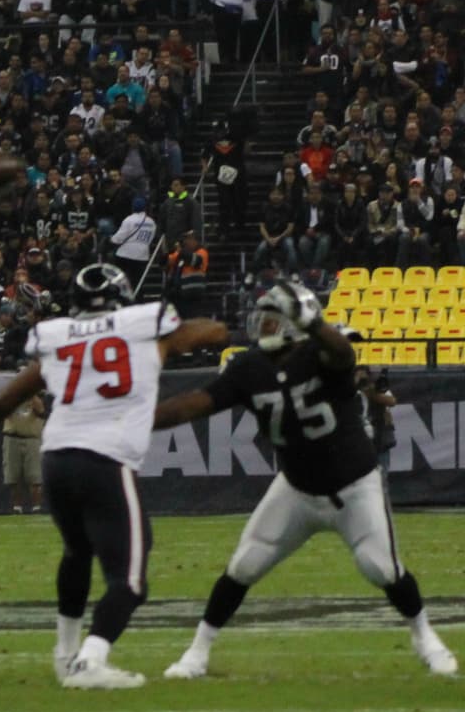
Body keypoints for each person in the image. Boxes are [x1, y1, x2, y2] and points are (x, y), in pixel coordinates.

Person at [154, 284, 457, 680]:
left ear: (295, 322)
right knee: (243, 566)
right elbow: (196, 403)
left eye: (271, 317)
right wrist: (142, 418)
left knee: (381, 568)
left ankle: (426, 638)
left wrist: (312, 322)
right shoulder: (250, 367)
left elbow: (344, 353)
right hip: (295, 489)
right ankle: (197, 653)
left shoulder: (322, 354)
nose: (261, 325)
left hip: (353, 488)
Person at [0, 263, 229, 689]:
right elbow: (214, 334)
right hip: (105, 458)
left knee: (77, 552)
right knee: (131, 579)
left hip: (58, 457)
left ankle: (65, 654)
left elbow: (19, 387)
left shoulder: (59, 336)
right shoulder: (143, 329)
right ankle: (91, 660)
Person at [3, 393, 46, 514]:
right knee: (13, 477)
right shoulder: (12, 400)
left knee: (35, 477)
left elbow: (40, 410)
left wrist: (31, 394)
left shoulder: (37, 400)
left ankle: (36, 507)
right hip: (12, 438)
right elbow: (4, 412)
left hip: (32, 439)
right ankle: (17, 508)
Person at [110, 197, 156, 287]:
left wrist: (111, 239)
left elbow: (119, 238)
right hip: (142, 256)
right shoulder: (151, 222)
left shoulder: (129, 220)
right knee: (138, 283)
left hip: (125, 255)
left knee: (120, 280)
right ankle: (138, 298)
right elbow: (151, 238)